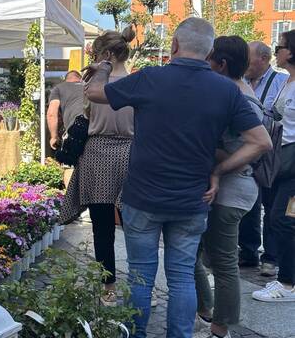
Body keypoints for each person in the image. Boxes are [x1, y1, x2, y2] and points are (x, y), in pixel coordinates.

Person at [83, 17, 272, 338]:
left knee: (141, 276)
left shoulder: (150, 78)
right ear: (209, 50)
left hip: (142, 197)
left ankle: (137, 334)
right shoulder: (226, 89)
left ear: (173, 46)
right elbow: (261, 142)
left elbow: (96, 92)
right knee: (183, 276)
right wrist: (218, 169)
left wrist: (103, 65)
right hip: (192, 200)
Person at [193, 36, 263, 338]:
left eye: (209, 59)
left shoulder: (238, 98)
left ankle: (220, 328)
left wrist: (216, 164)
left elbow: (253, 147)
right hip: (227, 190)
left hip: (230, 192)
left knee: (222, 263)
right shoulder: (235, 92)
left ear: (220, 64)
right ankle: (207, 310)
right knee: (197, 255)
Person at [63, 28, 134, 306]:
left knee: (102, 227)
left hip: (97, 155)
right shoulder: (136, 84)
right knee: (137, 226)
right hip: (130, 154)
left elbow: (86, 115)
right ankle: (143, 285)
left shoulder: (92, 86)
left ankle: (109, 288)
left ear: (105, 54)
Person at [238, 41, 289, 274]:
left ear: (263, 59)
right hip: (248, 148)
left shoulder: (281, 81)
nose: (245, 64)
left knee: (271, 204)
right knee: (248, 203)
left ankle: (271, 257)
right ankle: (248, 251)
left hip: (273, 151)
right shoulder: (243, 82)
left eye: (248, 59)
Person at [252, 29, 295, 303]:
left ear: (291, 52)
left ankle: (288, 284)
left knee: (285, 219)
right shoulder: (287, 82)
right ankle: (286, 279)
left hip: (293, 164)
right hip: (281, 160)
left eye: (279, 47)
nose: (276, 51)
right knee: (280, 218)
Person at [47, 70, 84, 150]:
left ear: (66, 80)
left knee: (71, 160)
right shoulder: (89, 86)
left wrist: (54, 137)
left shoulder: (59, 88)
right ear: (80, 79)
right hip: (94, 132)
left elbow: (52, 114)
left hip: (74, 131)